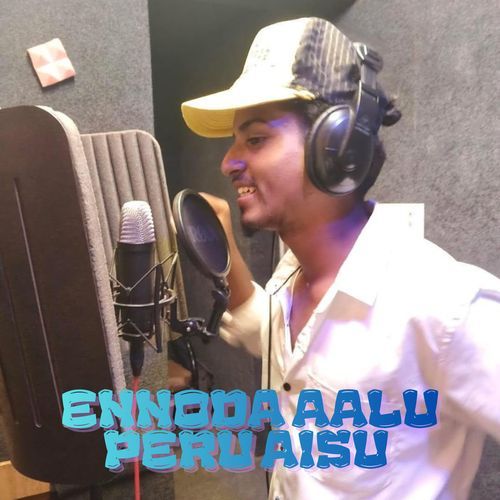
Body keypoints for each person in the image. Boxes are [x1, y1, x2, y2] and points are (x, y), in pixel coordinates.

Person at [180, 17, 500, 500]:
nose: (228, 162)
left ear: (338, 147)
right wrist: (221, 240)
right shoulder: (293, 274)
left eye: (256, 139)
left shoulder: (444, 305)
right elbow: (265, 331)